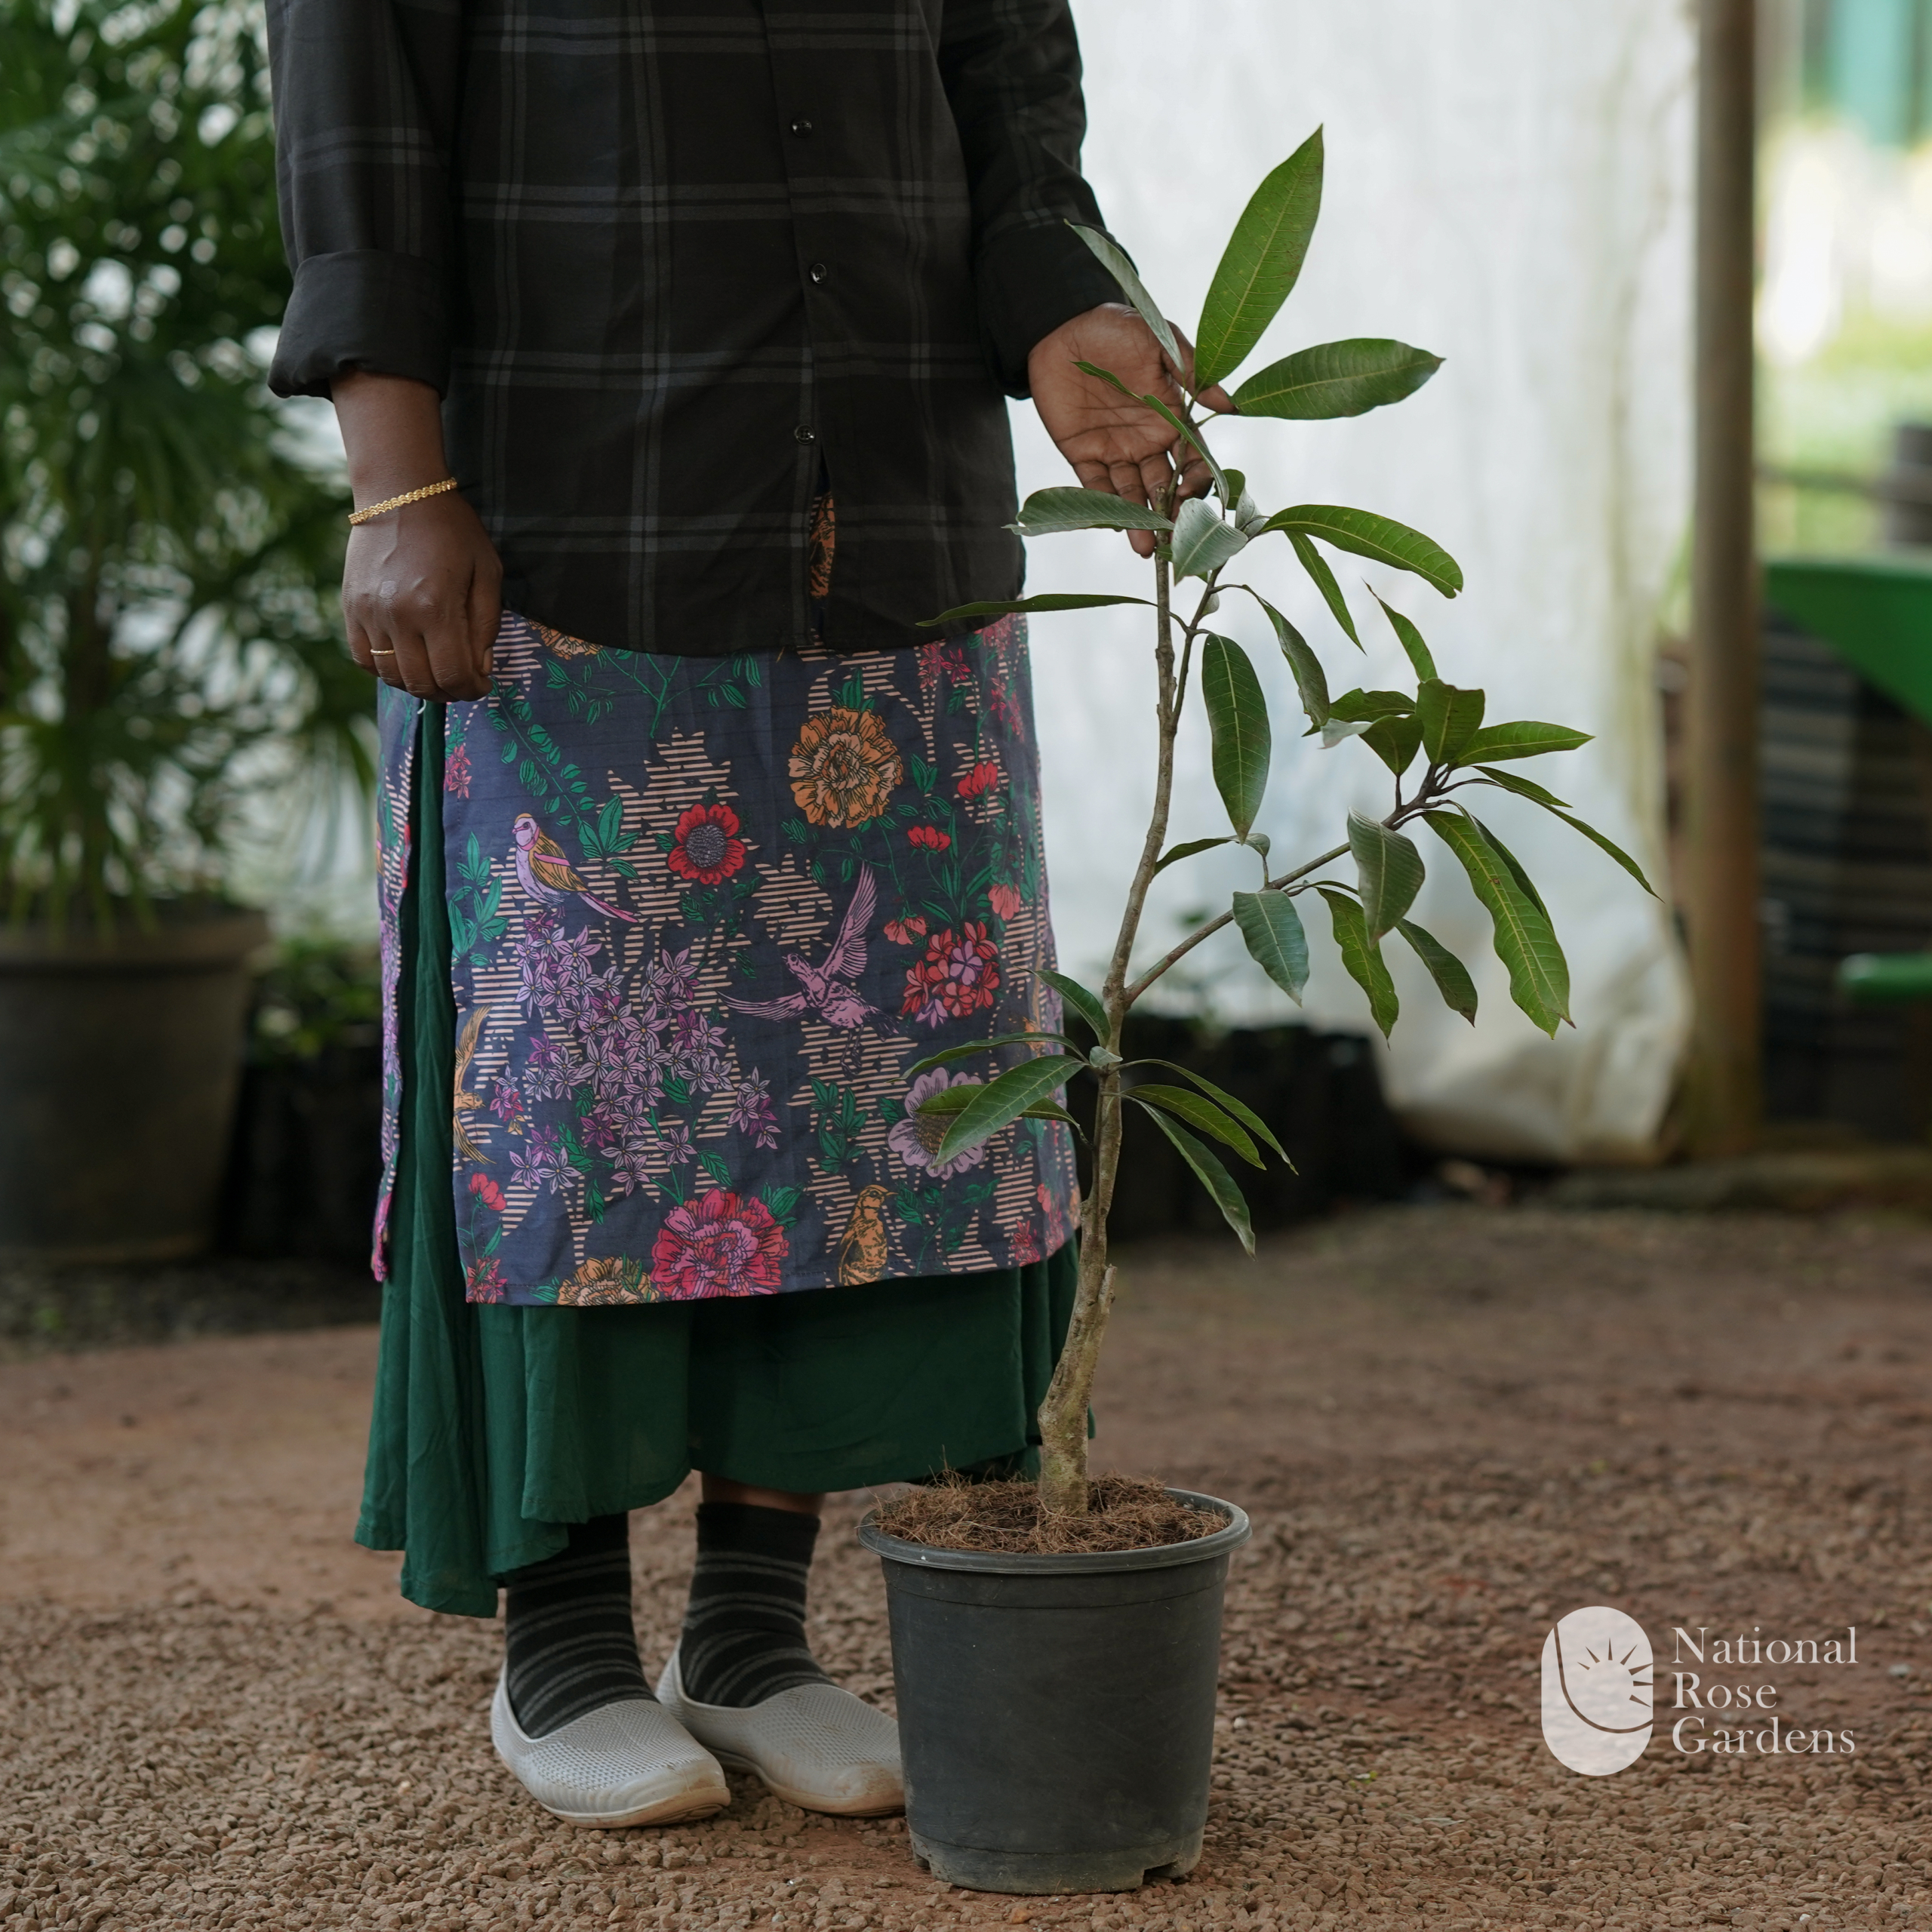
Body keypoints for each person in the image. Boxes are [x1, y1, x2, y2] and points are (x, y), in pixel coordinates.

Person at [266, 0, 1225, 1831]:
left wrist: (1059, 316)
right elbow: (355, 114)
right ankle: (558, 1643)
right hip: (569, 536)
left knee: (861, 1112)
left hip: (898, 540)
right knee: (584, 1114)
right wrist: (394, 474)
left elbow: (1007, 96)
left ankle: (750, 1633)